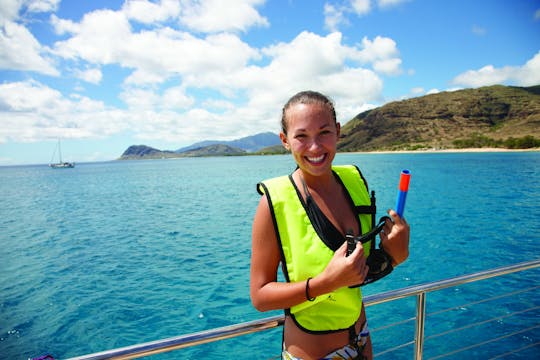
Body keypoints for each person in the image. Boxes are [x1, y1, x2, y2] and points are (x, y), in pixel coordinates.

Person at [250, 90, 410, 360]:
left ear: (337, 132)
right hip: (312, 352)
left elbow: (358, 274)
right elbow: (260, 296)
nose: (315, 147)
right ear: (285, 141)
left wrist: (394, 255)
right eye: (301, 136)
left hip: (361, 337)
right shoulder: (273, 203)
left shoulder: (354, 182)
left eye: (324, 132)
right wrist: (324, 283)